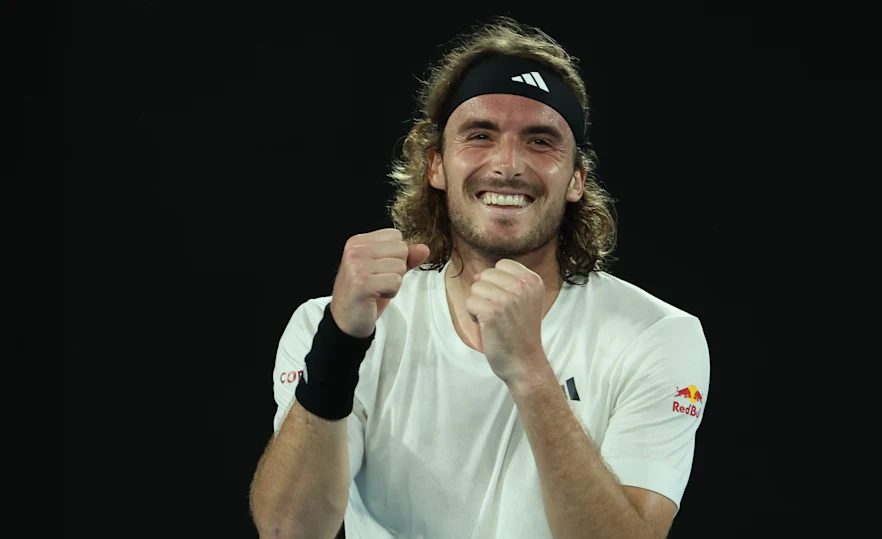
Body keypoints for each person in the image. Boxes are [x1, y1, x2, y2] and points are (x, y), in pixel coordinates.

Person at [249, 16, 709, 539]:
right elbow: (289, 529)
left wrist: (532, 373)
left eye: (540, 141)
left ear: (577, 179)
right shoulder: (327, 325)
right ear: (436, 166)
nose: (507, 164)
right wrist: (338, 346)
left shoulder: (658, 336)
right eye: (480, 135)